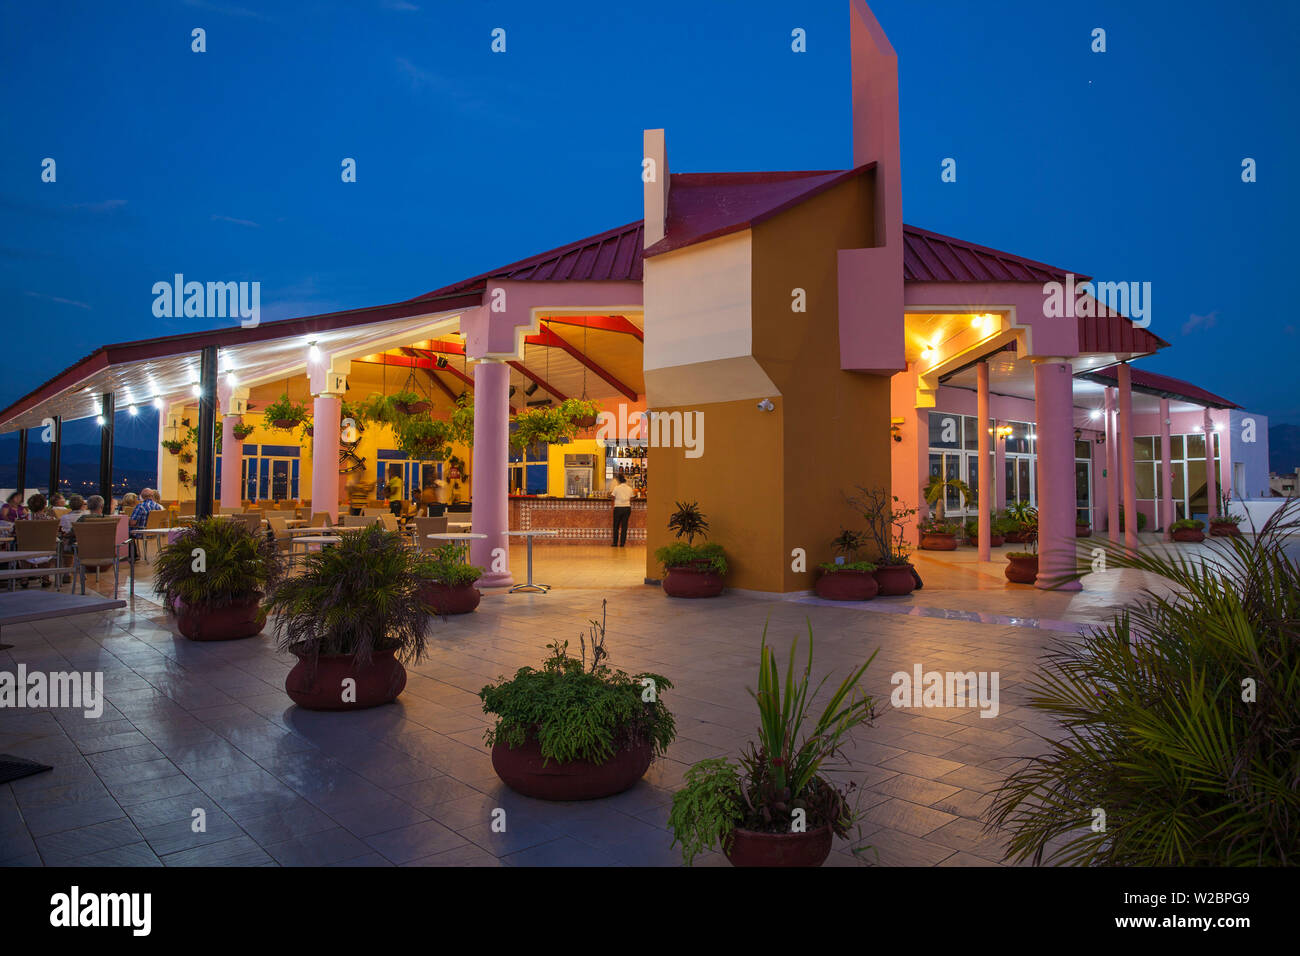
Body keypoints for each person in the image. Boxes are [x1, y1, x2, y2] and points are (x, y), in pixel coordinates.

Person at [610, 472, 633, 547]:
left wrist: (613, 505)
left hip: (618, 507)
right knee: (624, 526)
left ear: (619, 481)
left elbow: (612, 497)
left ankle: (615, 543)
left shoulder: (616, 488)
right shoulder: (630, 488)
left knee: (616, 526)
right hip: (627, 508)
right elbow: (631, 498)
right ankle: (622, 543)